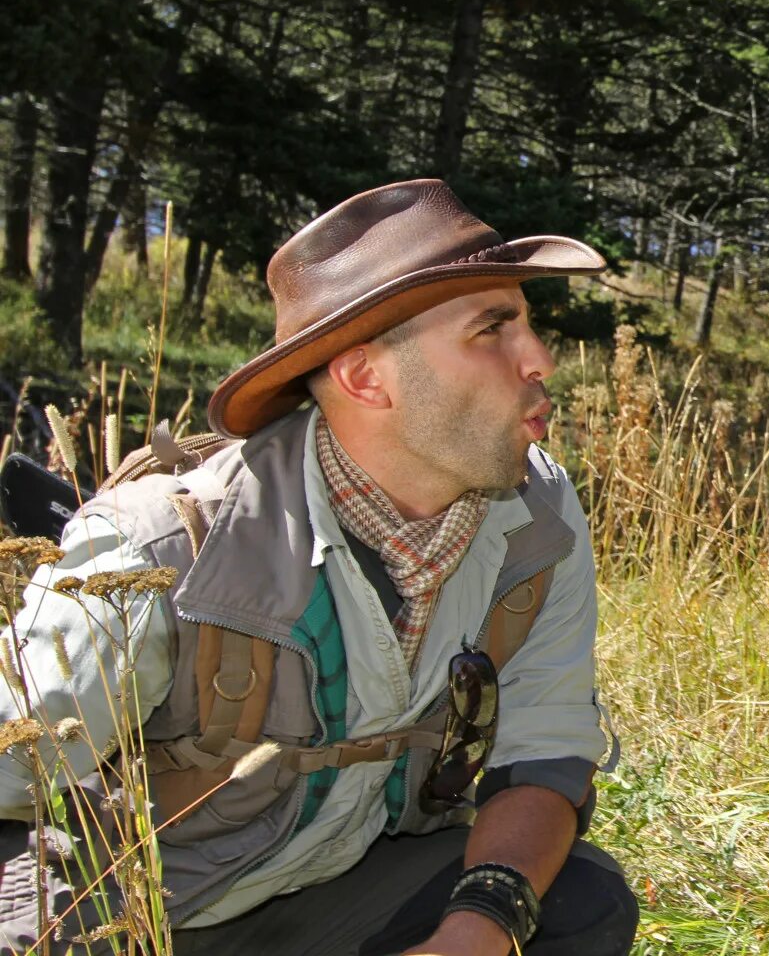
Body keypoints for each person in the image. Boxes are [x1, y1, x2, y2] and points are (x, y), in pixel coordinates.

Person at [0, 180, 640, 955]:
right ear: (365, 377)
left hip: (330, 893)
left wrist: (478, 930)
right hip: (135, 915)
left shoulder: (538, 516)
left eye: (528, 323)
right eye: (492, 329)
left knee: (578, 906)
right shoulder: (160, 550)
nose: (539, 358)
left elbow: (542, 749)